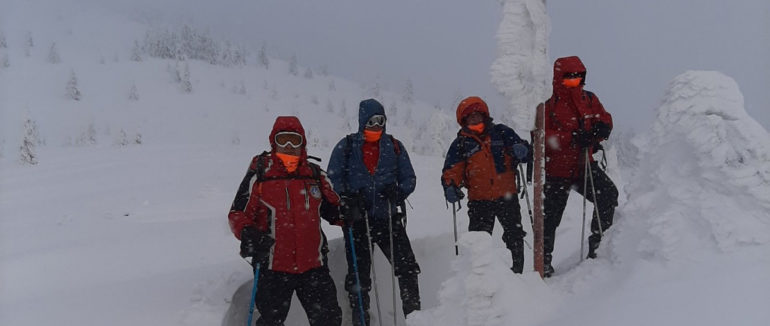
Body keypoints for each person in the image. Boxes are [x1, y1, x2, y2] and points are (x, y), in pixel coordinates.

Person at [228, 116, 343, 326]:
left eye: (294, 140)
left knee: (328, 319)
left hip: (314, 265)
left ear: (303, 143)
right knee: (271, 321)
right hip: (274, 267)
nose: (289, 146)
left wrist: (347, 212)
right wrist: (247, 233)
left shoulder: (315, 174)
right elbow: (237, 214)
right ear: (274, 143)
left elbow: (334, 210)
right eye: (283, 140)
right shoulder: (260, 174)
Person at [327, 99, 420, 326]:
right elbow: (332, 179)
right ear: (362, 121)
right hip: (357, 221)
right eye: (371, 121)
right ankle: (361, 320)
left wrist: (398, 192)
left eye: (380, 120)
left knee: (407, 268)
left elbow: (409, 177)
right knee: (359, 278)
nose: (376, 125)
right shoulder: (346, 147)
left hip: (388, 218)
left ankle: (415, 317)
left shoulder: (394, 146)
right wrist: (347, 198)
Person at [538, 56, 619, 277]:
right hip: (558, 171)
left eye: (577, 77)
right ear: (559, 78)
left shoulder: (589, 99)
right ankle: (542, 263)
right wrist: (572, 137)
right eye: (569, 77)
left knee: (608, 195)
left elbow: (604, 119)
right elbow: (543, 138)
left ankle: (599, 247)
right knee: (550, 219)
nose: (574, 81)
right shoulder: (548, 107)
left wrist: (602, 129)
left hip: (585, 166)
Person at [441, 96, 531, 273]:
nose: (474, 118)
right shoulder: (461, 143)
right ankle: (480, 279)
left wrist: (522, 150)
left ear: (484, 114)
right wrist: (450, 186)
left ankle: (517, 274)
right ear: (464, 120)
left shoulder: (502, 132)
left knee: (514, 237)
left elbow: (525, 152)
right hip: (479, 201)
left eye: (477, 114)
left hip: (507, 196)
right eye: (470, 116)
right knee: (477, 245)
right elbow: (451, 170)